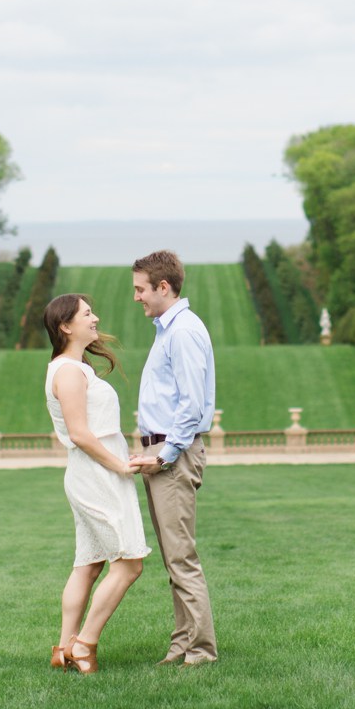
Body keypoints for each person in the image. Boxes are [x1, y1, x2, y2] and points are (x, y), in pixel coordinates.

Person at [42, 292, 148, 674]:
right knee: (129, 564)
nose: (96, 318)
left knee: (89, 564)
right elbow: (81, 434)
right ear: (65, 326)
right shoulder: (68, 371)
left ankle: (63, 647)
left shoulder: (73, 367)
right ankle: (83, 645)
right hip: (96, 474)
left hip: (94, 471)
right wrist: (120, 466)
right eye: (88, 314)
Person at [129, 249, 217, 665]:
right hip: (161, 450)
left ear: (164, 287)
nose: (137, 298)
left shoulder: (182, 332)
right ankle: (182, 643)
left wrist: (164, 454)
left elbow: (192, 404)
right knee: (172, 556)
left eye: (140, 290)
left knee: (181, 556)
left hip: (172, 454)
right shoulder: (169, 330)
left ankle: (200, 648)